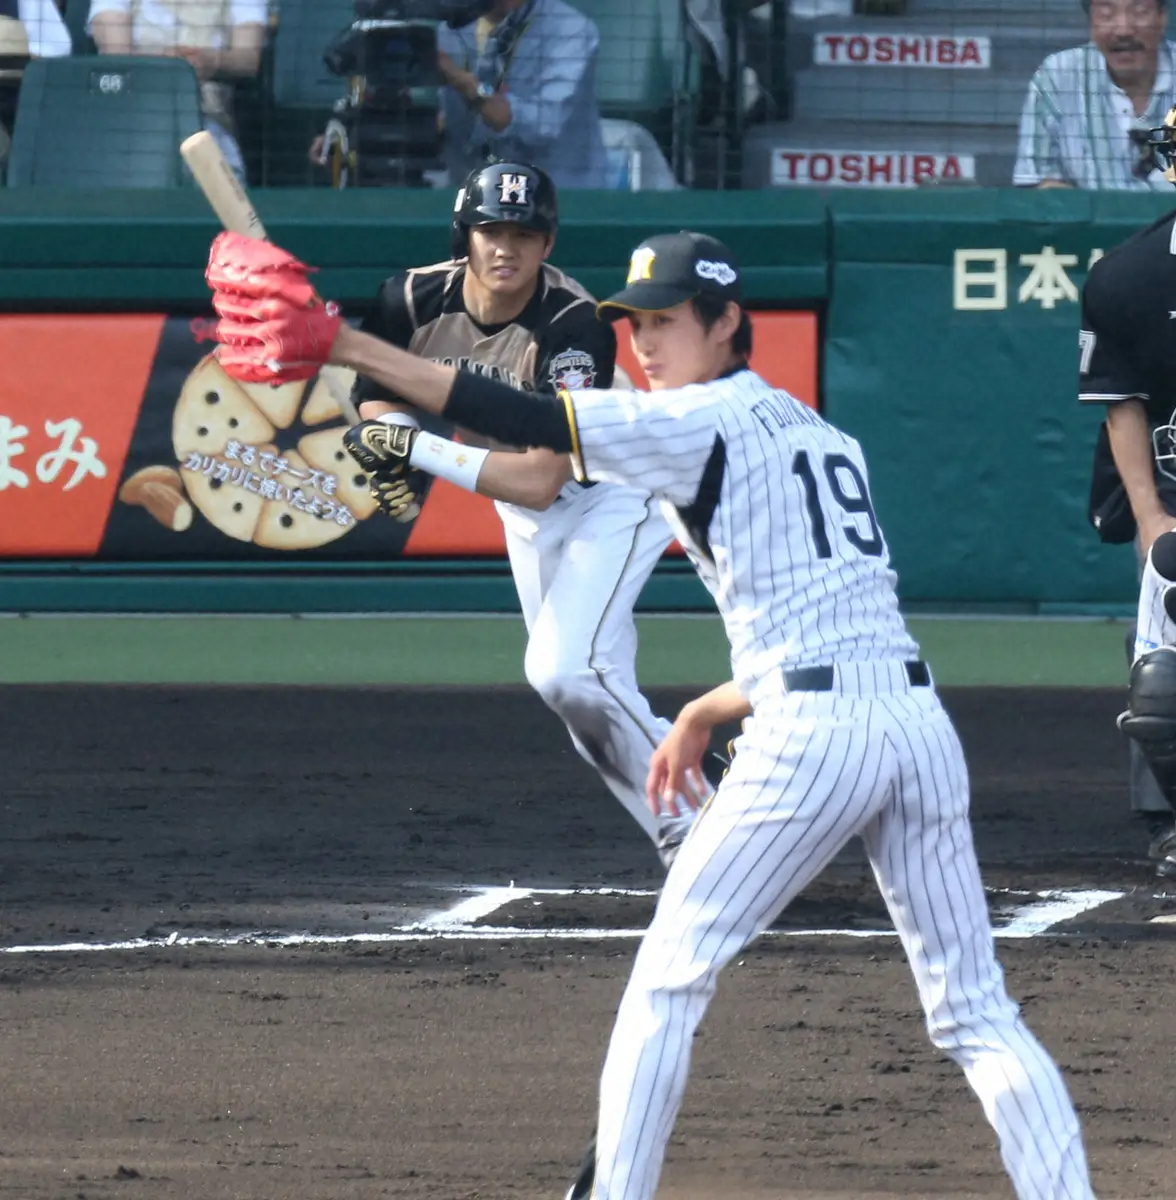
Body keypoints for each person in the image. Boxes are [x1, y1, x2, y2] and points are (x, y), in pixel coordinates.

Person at [203, 226, 1099, 1200]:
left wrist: (345, 345)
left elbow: (522, 415)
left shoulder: (688, 421)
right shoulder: (820, 433)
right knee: (975, 1013)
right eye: (634, 323)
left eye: (669, 321)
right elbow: (837, 617)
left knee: (669, 980)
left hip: (813, 741)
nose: (644, 344)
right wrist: (708, 707)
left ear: (727, 324)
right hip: (912, 726)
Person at [346, 158, 712, 867]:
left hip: (612, 493)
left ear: (548, 245)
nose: (505, 247)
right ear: (466, 237)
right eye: (491, 230)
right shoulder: (411, 298)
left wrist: (416, 450)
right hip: (524, 510)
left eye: (525, 231)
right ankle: (691, 821)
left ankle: (704, 829)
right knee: (578, 698)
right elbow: (374, 391)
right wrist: (387, 434)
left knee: (567, 671)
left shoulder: (574, 323)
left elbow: (543, 478)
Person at [1080, 105, 1176, 876]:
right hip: (1175, 492)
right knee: (1163, 680)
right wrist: (1150, 521)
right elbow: (1124, 406)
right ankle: (1170, 823)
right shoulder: (1129, 277)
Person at [435, 0, 612, 189]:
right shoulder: (451, 28)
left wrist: (465, 84)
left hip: (555, 195)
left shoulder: (571, 30)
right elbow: (452, 118)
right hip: (472, 193)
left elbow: (543, 125)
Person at [87, 0, 265, 183]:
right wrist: (173, 67)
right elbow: (115, 55)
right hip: (132, 123)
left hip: (206, 125)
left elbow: (248, 59)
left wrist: (212, 62)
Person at [1014, 0, 1176, 189]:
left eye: (1139, 12)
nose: (1123, 30)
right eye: (1106, 15)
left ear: (1162, 17)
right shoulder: (1058, 76)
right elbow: (1037, 183)